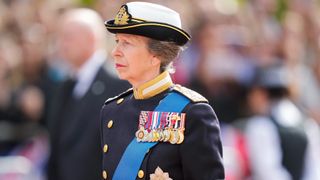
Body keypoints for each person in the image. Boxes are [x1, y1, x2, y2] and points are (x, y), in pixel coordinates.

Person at [100, 2, 225, 180]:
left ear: (156, 55)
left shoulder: (193, 112)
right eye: (117, 41)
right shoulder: (112, 110)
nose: (115, 52)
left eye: (127, 43)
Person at [47, 8, 129, 180]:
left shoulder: (118, 84)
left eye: (68, 37)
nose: (62, 44)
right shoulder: (64, 86)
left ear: (91, 38)